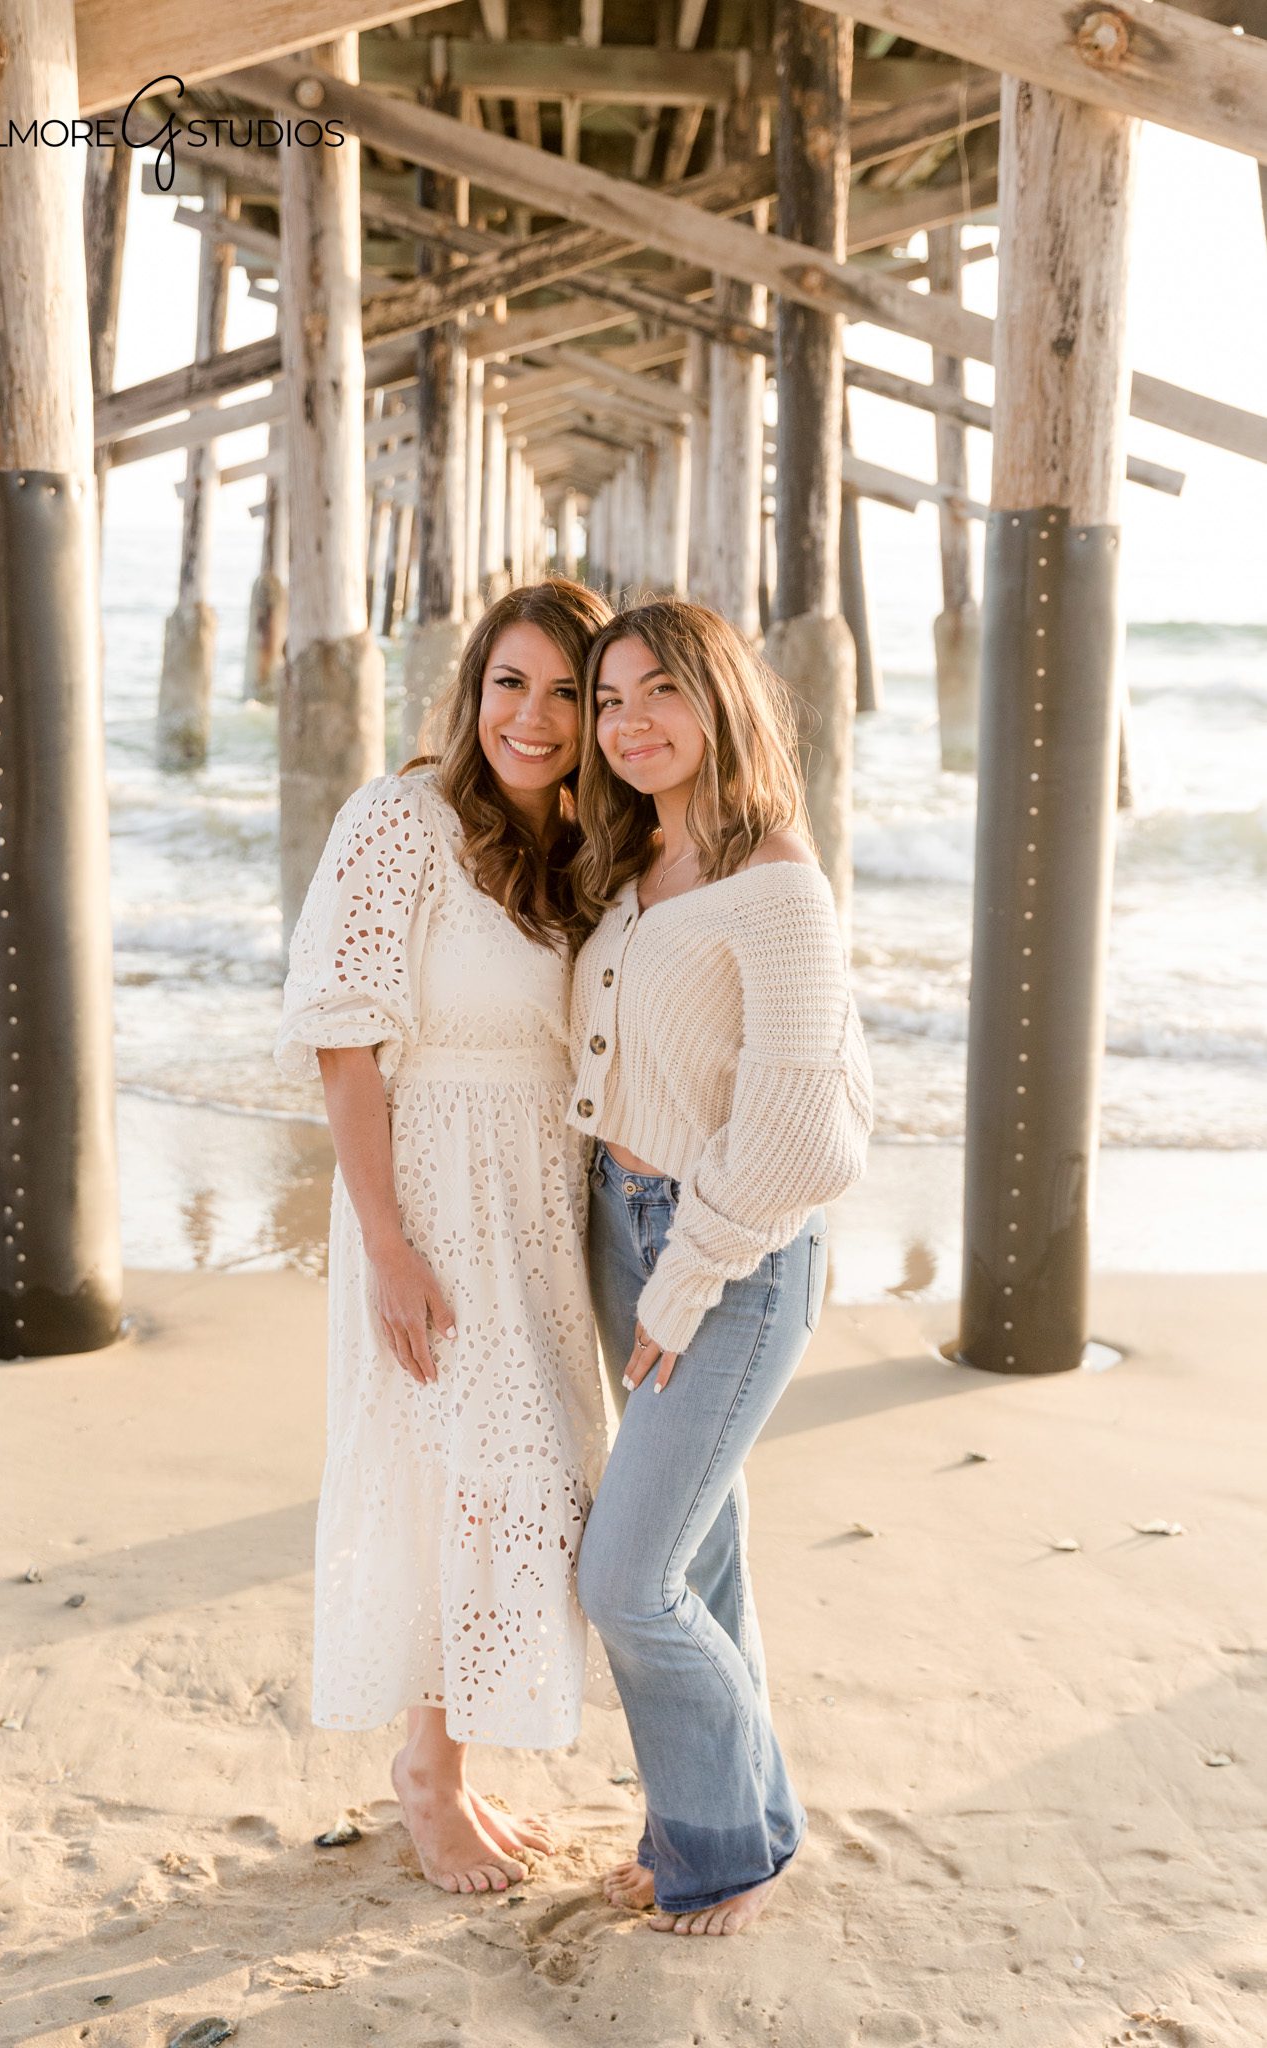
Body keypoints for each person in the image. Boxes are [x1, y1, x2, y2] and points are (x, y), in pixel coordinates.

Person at [275, 579, 613, 1896]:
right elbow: (342, 1043)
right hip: (424, 1199)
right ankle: (429, 1773)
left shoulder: (579, 850)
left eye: (567, 693)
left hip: (536, 1203)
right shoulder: (397, 820)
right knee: (463, 1473)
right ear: (471, 691)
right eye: (509, 683)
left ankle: (452, 1757)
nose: (532, 717)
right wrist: (387, 1246)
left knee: (521, 1482)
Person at [567, 597, 874, 1935]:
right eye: (608, 699)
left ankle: (723, 1846)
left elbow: (803, 1128)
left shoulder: (777, 886)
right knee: (700, 1556)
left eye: (659, 693)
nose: (630, 722)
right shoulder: (630, 865)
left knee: (626, 1581)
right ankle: (734, 1822)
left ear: (722, 700)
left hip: (729, 1257)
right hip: (617, 1226)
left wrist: (687, 1274)